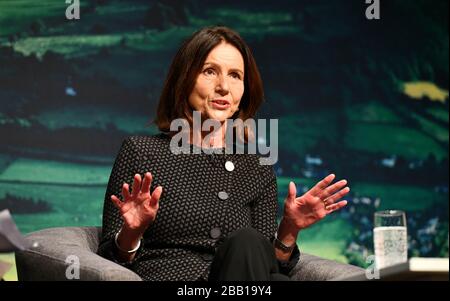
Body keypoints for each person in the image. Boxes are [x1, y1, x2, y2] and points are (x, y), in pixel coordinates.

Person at [98, 26, 350, 281]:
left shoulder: (257, 167)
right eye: (210, 71)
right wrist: (131, 233)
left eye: (235, 76)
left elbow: (268, 266)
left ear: (244, 90)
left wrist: (289, 228)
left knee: (258, 256)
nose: (223, 87)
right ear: (184, 79)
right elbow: (108, 259)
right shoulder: (142, 151)